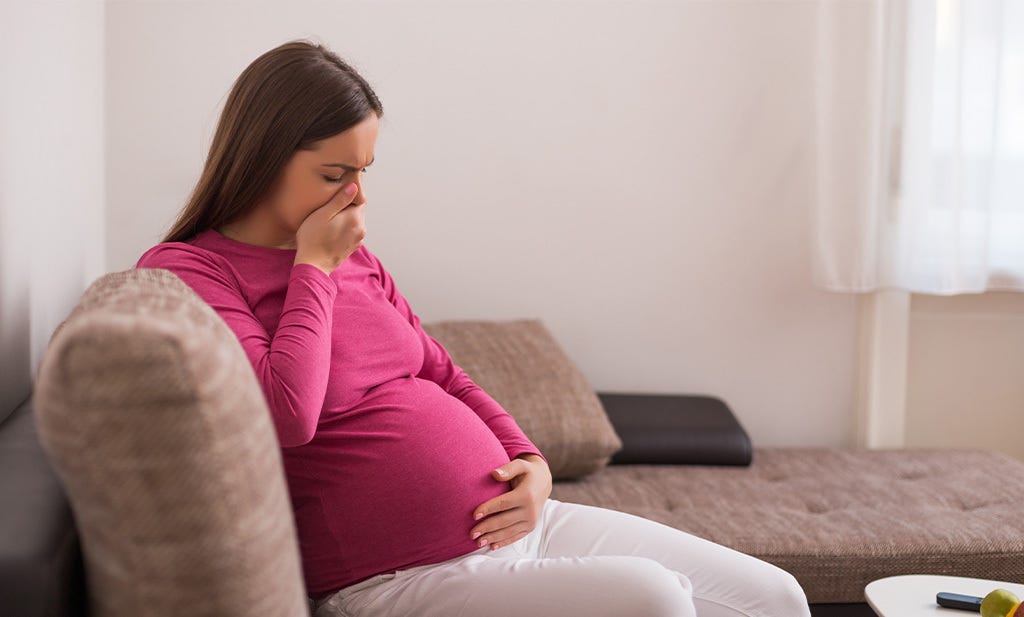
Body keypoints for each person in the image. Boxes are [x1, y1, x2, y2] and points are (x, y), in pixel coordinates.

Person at [135, 38, 812, 617]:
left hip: (521, 525)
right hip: (398, 572)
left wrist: (533, 464)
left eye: (364, 171)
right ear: (260, 157)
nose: (357, 196)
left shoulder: (355, 255)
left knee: (776, 595)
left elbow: (442, 371)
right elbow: (285, 415)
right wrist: (312, 267)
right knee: (656, 599)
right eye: (335, 174)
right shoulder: (193, 271)